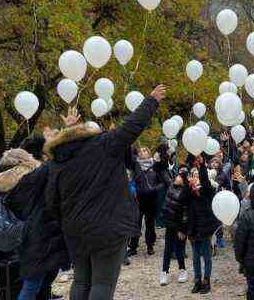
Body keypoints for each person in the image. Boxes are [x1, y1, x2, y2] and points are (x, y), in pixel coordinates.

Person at [44, 84, 167, 300]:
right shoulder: (104, 144)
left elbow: (51, 199)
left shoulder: (59, 159)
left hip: (74, 230)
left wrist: (66, 221)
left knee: (81, 280)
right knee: (102, 283)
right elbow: (131, 126)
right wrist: (151, 100)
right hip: (108, 227)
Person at [0, 148, 69, 300]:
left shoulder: (7, 183)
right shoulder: (31, 178)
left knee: (37, 281)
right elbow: (51, 163)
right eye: (28, 155)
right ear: (22, 161)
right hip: (39, 235)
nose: (32, 156)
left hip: (26, 236)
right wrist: (54, 144)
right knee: (33, 284)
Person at [185, 156, 221, 294]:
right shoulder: (190, 191)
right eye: (193, 175)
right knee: (195, 258)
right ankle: (197, 281)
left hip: (205, 228)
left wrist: (201, 167)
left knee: (206, 256)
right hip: (194, 228)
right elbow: (183, 200)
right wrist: (189, 187)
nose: (196, 177)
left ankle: (207, 281)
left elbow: (205, 181)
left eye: (197, 175)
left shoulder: (208, 189)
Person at [130, 145, 171, 256]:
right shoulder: (135, 166)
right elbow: (132, 180)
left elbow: (162, 182)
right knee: (135, 223)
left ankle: (150, 245)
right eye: (140, 151)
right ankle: (133, 247)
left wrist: (154, 189)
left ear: (149, 153)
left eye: (144, 150)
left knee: (150, 224)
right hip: (138, 199)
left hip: (151, 200)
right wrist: (135, 189)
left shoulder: (155, 166)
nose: (142, 152)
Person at [160, 166, 189, 286]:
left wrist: (182, 230)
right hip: (170, 224)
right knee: (167, 249)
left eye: (180, 176)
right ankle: (164, 272)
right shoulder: (171, 186)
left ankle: (182, 270)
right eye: (177, 175)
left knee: (179, 249)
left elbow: (185, 213)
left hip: (179, 226)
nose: (177, 177)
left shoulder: (186, 192)